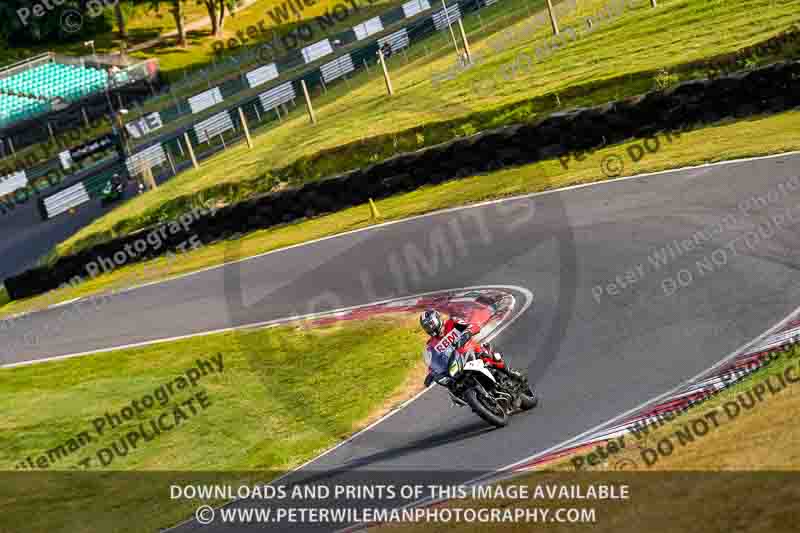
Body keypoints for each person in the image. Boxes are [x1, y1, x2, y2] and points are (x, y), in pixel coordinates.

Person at [420, 309, 525, 387]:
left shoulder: (451, 323)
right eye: (426, 326)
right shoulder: (432, 344)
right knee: (452, 385)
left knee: (486, 354)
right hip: (456, 365)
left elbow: (472, 326)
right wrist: (431, 373)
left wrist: (467, 333)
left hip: (471, 351)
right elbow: (432, 361)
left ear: (437, 319)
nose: (430, 327)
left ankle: (509, 373)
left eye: (431, 323)